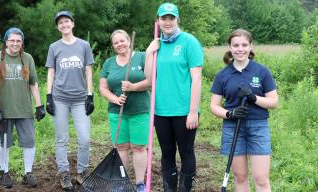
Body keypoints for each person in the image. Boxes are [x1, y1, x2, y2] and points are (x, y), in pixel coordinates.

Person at [210, 29, 278, 192]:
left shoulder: (262, 71)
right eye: (236, 45)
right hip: (233, 128)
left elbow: (273, 102)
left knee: (261, 179)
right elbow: (214, 106)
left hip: (258, 127)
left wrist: (254, 98)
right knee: (240, 177)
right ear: (230, 47)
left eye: (244, 45)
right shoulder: (223, 75)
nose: (240, 49)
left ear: (251, 46)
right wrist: (230, 113)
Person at [146, 3, 204, 192]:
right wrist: (148, 53)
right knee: (167, 153)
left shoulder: (189, 42)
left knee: (186, 153)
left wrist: (193, 111)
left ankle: (184, 189)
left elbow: (196, 80)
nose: (168, 22)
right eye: (164, 18)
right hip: (161, 110)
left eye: (171, 18)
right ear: (158, 21)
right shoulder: (156, 45)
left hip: (184, 111)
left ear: (177, 19)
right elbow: (149, 79)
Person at [0, 27, 46, 189]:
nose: (15, 43)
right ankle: (3, 172)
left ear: (22, 43)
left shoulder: (27, 58)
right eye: (12, 40)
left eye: (18, 41)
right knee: (4, 142)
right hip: (4, 110)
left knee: (29, 141)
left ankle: (28, 173)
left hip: (24, 109)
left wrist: (39, 105)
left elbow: (33, 83)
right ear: (6, 41)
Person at [45, 10, 95, 191]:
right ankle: (64, 173)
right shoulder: (54, 47)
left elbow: (88, 70)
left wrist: (90, 95)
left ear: (72, 24)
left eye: (67, 21)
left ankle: (82, 172)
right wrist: (48, 96)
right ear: (58, 27)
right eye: (60, 23)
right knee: (62, 138)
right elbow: (51, 71)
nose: (64, 25)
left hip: (80, 99)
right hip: (60, 99)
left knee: (85, 138)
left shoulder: (84, 45)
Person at [99, 29, 152, 192]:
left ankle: (139, 183)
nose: (119, 44)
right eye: (116, 42)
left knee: (138, 147)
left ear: (129, 41)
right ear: (113, 46)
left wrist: (133, 87)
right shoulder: (109, 63)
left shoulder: (142, 57)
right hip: (116, 112)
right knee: (121, 146)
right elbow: (102, 87)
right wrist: (114, 99)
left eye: (122, 41)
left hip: (140, 110)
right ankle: (121, 181)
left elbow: (151, 81)